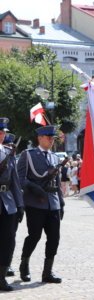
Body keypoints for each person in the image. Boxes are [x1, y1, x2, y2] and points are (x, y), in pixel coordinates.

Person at [17, 125, 64, 284]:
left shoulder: (55, 157)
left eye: (53, 138)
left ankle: (47, 272)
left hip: (53, 203)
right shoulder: (28, 155)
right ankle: (24, 263)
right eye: (48, 137)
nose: (51, 140)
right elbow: (20, 178)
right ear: (40, 138)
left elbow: (57, 182)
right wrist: (34, 188)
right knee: (34, 236)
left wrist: (61, 202)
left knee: (54, 238)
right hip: (35, 203)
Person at [0, 119, 24, 292]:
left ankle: (1, 278)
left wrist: (20, 204)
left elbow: (15, 181)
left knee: (8, 241)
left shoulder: (9, 152)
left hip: (8, 202)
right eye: (0, 132)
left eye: (4, 132)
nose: (3, 135)